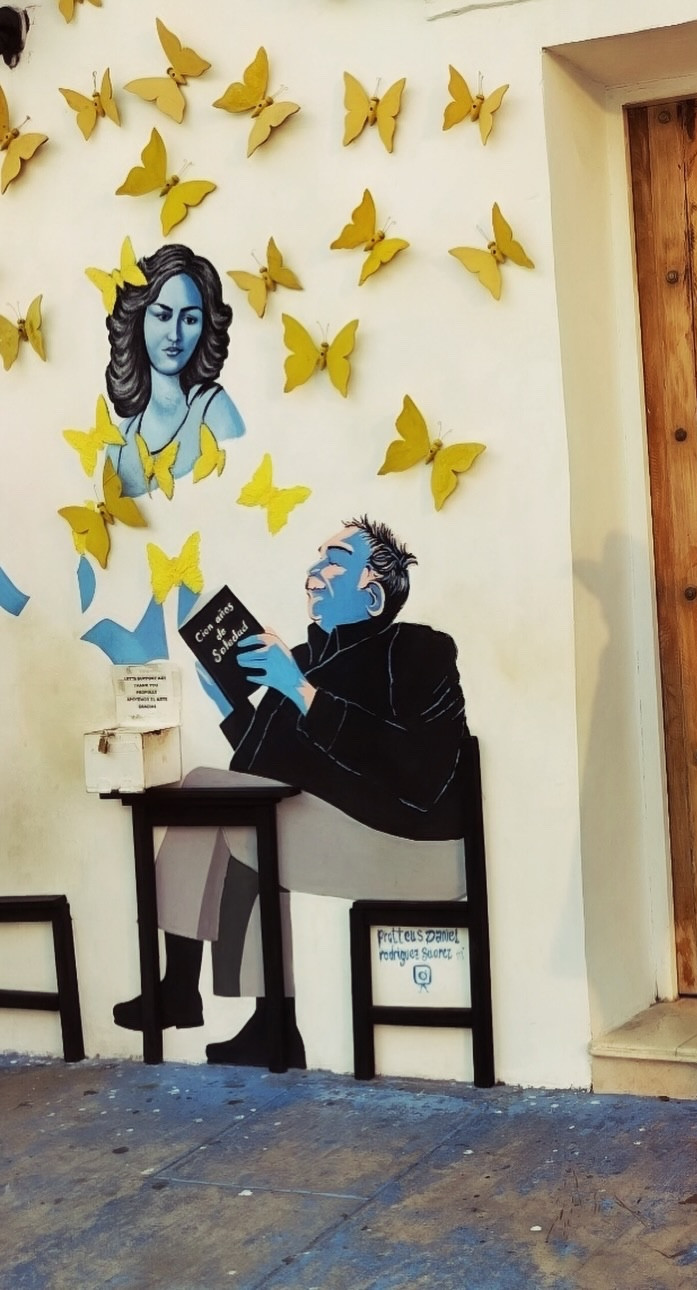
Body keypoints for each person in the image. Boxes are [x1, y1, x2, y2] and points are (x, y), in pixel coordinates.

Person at [112, 517, 470, 1067]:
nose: (312, 572)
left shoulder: (417, 650)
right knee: (238, 819)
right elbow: (254, 771)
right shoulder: (301, 660)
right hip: (343, 837)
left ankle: (180, 986)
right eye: (316, 557)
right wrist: (235, 702)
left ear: (372, 595)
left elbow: (420, 776)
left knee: (212, 798)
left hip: (416, 847)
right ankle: (270, 1024)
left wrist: (301, 693)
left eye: (334, 561)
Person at [104, 243, 245, 498]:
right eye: (162, 316)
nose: (175, 334)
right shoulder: (117, 444)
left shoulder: (215, 412)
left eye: (190, 319)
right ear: (139, 318)